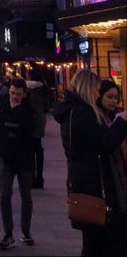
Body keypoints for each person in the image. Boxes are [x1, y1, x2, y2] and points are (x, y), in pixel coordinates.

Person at [54, 69, 127, 257]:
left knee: (94, 241)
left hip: (83, 182)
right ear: (87, 88)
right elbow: (105, 142)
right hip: (93, 185)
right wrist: (122, 122)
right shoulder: (81, 113)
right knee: (99, 240)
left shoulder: (72, 111)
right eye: (96, 90)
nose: (97, 94)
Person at [0, 77, 36, 250]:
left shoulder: (28, 110)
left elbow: (32, 129)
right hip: (6, 159)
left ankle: (25, 231)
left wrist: (17, 112)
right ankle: (8, 233)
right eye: (12, 93)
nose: (14, 97)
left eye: (18, 94)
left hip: (24, 160)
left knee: (26, 196)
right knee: (5, 194)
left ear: (24, 95)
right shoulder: (1, 107)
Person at [26, 68, 50, 189]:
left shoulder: (27, 89)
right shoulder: (43, 88)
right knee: (38, 148)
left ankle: (31, 177)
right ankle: (40, 177)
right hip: (41, 119)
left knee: (30, 149)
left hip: (29, 120)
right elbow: (47, 106)